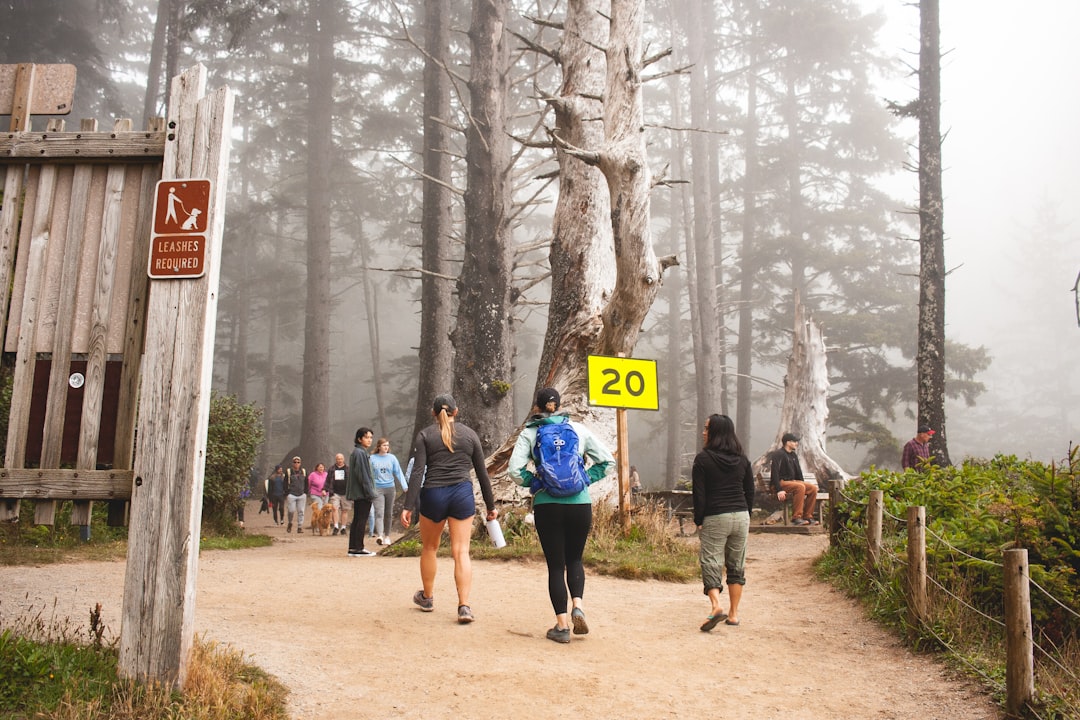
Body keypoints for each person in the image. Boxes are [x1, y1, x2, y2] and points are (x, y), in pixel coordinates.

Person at [508, 387, 614, 643]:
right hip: (580, 504)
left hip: (548, 505)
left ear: (538, 407)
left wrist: (535, 483)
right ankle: (578, 605)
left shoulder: (530, 433)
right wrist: (584, 480)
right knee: (575, 560)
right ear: (560, 404)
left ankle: (562, 626)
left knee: (556, 566)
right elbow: (607, 462)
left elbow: (514, 470)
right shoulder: (578, 430)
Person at [401, 394, 497, 624]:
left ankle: (427, 597)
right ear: (456, 411)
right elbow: (483, 474)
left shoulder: (425, 435)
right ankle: (464, 606)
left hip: (433, 494)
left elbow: (417, 472)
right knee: (461, 551)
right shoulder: (470, 435)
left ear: (434, 413)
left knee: (430, 548)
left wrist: (408, 506)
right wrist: (491, 506)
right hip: (462, 494)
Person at [693, 414, 754, 630]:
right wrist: (747, 513)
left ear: (716, 432)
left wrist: (699, 519)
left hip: (716, 515)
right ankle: (734, 614)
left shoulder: (703, 459)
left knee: (711, 561)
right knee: (736, 565)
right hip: (741, 516)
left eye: (707, 428)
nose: (703, 432)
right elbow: (750, 490)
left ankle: (716, 606)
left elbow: (699, 494)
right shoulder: (743, 459)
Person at [769, 433, 818, 526]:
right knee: (799, 487)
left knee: (813, 488)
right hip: (779, 483)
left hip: (791, 483)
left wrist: (803, 483)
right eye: (794, 441)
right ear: (788, 442)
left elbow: (798, 473)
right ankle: (796, 518)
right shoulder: (778, 454)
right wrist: (779, 490)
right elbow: (774, 473)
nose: (796, 443)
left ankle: (808, 516)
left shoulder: (793, 455)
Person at [370, 437, 408, 546]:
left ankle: (387, 536)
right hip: (377, 488)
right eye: (384, 445)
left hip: (390, 488)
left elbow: (398, 472)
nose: (386, 447)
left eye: (387, 445)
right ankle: (380, 536)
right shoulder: (372, 458)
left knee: (388, 513)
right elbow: (369, 474)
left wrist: (404, 486)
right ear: (378, 447)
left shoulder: (392, 458)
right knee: (379, 512)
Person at [346, 428, 378, 556]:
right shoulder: (360, 453)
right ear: (359, 439)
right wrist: (370, 492)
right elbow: (363, 475)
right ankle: (358, 548)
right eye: (366, 437)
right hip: (363, 493)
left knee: (357, 519)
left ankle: (353, 547)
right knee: (361, 519)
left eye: (371, 437)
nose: (369, 440)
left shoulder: (360, 452)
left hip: (360, 492)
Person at [327, 453, 350, 535]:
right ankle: (336, 526)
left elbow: (352, 481)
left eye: (341, 459)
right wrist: (324, 489)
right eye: (338, 459)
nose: (339, 460)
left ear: (343, 459)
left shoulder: (348, 469)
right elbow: (328, 480)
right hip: (335, 492)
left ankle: (343, 527)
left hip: (346, 493)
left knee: (345, 510)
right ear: (335, 459)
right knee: (334, 508)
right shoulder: (332, 469)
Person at [285, 456, 308, 533]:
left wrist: (305, 492)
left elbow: (306, 482)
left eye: (298, 462)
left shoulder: (303, 471)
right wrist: (287, 493)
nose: (296, 464)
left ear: (300, 463)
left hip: (301, 494)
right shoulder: (289, 472)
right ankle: (290, 522)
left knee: (301, 511)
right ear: (292, 463)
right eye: (295, 462)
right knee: (291, 510)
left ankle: (300, 526)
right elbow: (285, 483)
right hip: (292, 494)